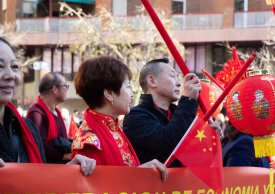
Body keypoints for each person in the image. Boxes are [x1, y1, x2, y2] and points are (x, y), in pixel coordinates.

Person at [0, 36, 95, 176]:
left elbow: (41, 179)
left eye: (14, 67)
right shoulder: (37, 114)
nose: (10, 75)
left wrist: (70, 169)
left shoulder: (27, 127)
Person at [71, 56, 167, 181]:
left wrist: (139, 172)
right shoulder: (90, 142)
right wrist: (138, 173)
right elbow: (96, 191)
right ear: (109, 94)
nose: (132, 93)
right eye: (127, 86)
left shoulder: (111, 127)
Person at [123, 58, 214, 166]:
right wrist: (188, 100)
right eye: (172, 76)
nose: (179, 84)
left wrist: (210, 138)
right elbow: (170, 142)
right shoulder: (135, 116)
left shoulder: (178, 112)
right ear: (152, 81)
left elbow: (194, 156)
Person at [26, 72, 72, 163]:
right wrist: (65, 156)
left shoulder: (57, 113)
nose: (67, 90)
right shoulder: (36, 113)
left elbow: (62, 139)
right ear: (55, 89)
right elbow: (39, 145)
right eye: (65, 86)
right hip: (45, 171)